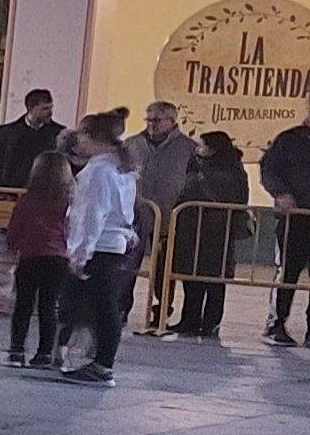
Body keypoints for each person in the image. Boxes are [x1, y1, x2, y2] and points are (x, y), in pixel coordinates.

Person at [64, 112, 141, 386]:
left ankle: (101, 364)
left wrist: (80, 254)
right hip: (115, 243)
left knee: (101, 307)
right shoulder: (122, 169)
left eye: (83, 135)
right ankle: (89, 357)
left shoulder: (98, 171)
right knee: (101, 305)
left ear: (95, 138)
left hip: (100, 246)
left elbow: (91, 216)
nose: (79, 140)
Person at [125, 101, 200, 329]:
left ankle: (161, 310)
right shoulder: (132, 144)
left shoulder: (189, 148)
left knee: (163, 269)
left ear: (172, 121)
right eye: (148, 120)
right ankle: (120, 308)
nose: (151, 125)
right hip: (135, 214)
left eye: (157, 120)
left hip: (170, 216)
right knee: (127, 265)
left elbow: (195, 179)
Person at [170, 130, 246, 339]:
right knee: (191, 276)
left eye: (202, 145)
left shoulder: (230, 170)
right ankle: (190, 319)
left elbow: (237, 199)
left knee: (214, 279)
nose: (198, 149)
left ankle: (211, 321)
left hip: (217, 231)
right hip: (192, 228)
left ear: (213, 149)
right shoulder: (196, 166)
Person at [8, 150, 77, 369]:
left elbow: (16, 226)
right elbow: (71, 228)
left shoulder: (27, 199)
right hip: (58, 258)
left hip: (30, 256)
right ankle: (44, 352)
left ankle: (17, 350)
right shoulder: (68, 202)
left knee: (23, 306)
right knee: (49, 307)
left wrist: (13, 245)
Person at [266, 91, 310, 346]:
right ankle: (276, 324)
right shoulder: (289, 140)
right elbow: (270, 170)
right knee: (287, 273)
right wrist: (281, 194)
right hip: (294, 218)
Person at [0, 88, 64, 188]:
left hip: (45, 193)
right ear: (31, 108)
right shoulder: (7, 132)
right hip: (11, 193)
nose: (50, 113)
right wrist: (0, 188)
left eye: (51, 107)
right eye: (45, 109)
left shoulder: (58, 133)